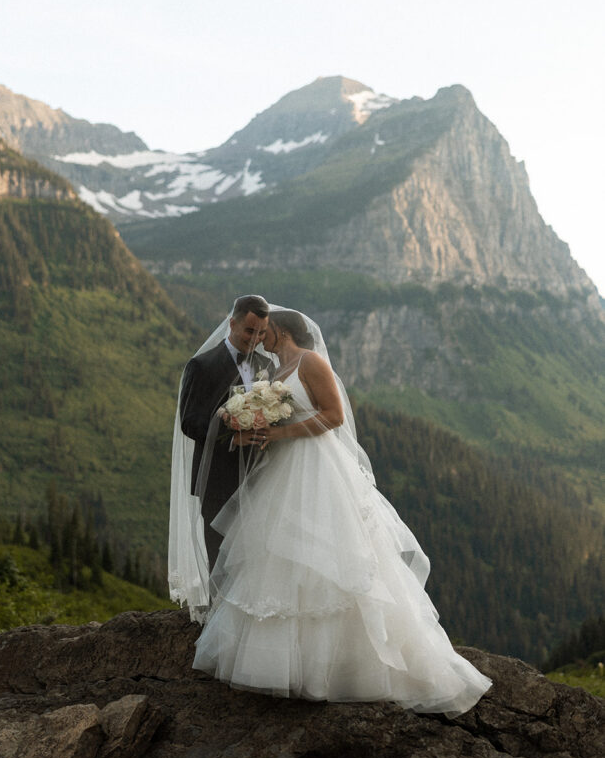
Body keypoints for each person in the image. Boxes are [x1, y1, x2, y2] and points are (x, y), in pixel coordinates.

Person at [169, 304, 492, 716]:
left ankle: (339, 666)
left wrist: (280, 431)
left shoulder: (311, 362)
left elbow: (334, 416)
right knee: (280, 556)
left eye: (266, 332)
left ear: (282, 332)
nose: (261, 338)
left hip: (317, 468)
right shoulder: (275, 369)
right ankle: (287, 661)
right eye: (255, 331)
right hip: (280, 470)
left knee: (326, 554)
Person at [175, 294, 271, 574]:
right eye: (249, 331)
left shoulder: (267, 366)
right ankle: (219, 616)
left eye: (262, 333)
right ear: (232, 324)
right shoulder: (202, 365)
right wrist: (231, 436)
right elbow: (189, 422)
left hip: (260, 477)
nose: (255, 339)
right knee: (221, 559)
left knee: (256, 557)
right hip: (217, 479)